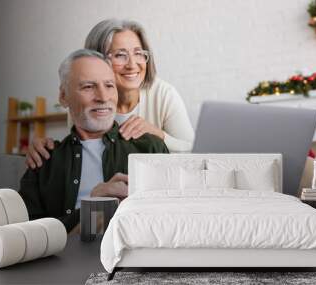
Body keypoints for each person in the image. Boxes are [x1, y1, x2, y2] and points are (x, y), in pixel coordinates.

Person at [19, 49, 169, 233]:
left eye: (109, 85)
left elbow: (171, 221)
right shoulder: (43, 160)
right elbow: (28, 237)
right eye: (88, 87)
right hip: (68, 259)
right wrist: (90, 210)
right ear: (64, 96)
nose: (103, 97)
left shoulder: (150, 147)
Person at [25, 19, 193, 169]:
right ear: (96, 59)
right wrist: (44, 147)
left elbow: (197, 156)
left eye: (138, 53)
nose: (132, 64)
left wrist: (159, 135)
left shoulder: (164, 94)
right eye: (120, 55)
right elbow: (83, 154)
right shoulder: (86, 102)